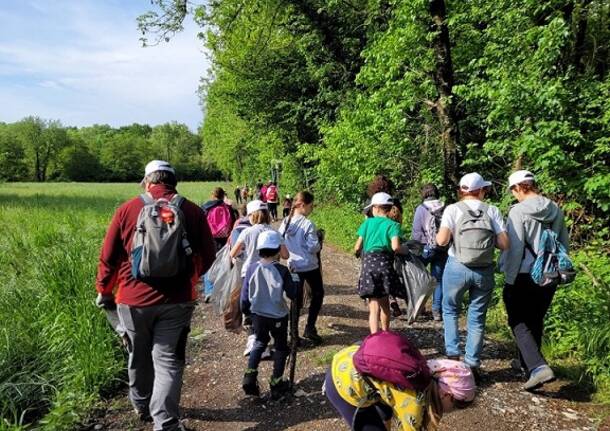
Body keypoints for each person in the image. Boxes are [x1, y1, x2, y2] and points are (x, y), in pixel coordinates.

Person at [95, 160, 216, 431]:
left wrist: (104, 290)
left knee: (137, 354)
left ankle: (141, 404)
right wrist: (190, 279)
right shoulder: (192, 211)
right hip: (177, 301)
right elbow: (209, 258)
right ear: (174, 182)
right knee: (168, 361)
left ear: (147, 182)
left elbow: (108, 258)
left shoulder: (127, 210)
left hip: (132, 300)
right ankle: (165, 423)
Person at [435, 172, 510, 380]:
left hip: (457, 266)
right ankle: (473, 364)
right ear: (482, 190)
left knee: (450, 310)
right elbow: (505, 244)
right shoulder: (492, 210)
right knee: (477, 317)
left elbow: (442, 241)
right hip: (484, 270)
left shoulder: (452, 209)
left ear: (461, 190)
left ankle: (452, 357)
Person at [499, 170, 568, 391]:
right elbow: (563, 242)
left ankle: (538, 367)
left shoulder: (518, 211)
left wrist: (509, 276)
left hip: (524, 273)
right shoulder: (555, 208)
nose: (514, 195)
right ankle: (527, 366)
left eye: (513, 191)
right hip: (549, 273)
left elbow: (515, 247)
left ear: (518, 188)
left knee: (518, 320)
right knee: (535, 319)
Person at [325, 331, 476, 431]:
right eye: (456, 406)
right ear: (447, 395)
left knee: (388, 404)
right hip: (342, 381)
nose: (452, 411)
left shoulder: (423, 369)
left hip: (347, 357)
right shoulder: (415, 402)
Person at [240, 230, 298, 399]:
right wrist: (294, 276)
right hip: (278, 315)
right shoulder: (282, 270)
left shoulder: (251, 268)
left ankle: (250, 376)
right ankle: (276, 383)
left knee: (259, 342)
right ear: (278, 250)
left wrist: (246, 311)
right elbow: (293, 294)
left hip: (258, 314)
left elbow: (245, 296)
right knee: (280, 347)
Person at [230, 200, 289, 355]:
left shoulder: (247, 232)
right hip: (271, 274)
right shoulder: (274, 232)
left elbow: (233, 253)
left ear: (251, 215)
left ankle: (253, 339)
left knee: (250, 305)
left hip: (249, 273)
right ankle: (266, 337)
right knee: (267, 305)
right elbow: (285, 255)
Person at [354, 192, 405, 333]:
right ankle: (385, 334)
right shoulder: (393, 225)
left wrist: (358, 253)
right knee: (385, 305)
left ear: (375, 208)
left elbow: (357, 247)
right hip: (385, 266)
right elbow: (396, 247)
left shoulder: (367, 223)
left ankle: (374, 338)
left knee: (373, 307)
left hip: (369, 266)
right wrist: (405, 251)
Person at [279, 191, 324, 345]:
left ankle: (293, 334)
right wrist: (319, 242)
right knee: (318, 294)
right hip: (310, 266)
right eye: (311, 206)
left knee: (295, 301)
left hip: (294, 267)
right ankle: (310, 327)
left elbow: (280, 241)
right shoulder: (308, 224)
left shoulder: (285, 222)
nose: (312, 209)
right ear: (303, 205)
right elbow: (313, 248)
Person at [363, 175, 404, 317]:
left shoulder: (371, 203)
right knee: (388, 273)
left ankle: (376, 303)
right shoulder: (394, 202)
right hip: (390, 244)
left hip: (370, 248)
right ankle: (391, 300)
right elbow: (399, 221)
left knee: (372, 276)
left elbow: (366, 223)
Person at [411, 184, 448, 322]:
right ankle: (437, 311)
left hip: (426, 248)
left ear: (424, 194)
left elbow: (416, 233)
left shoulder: (421, 209)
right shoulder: (445, 207)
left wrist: (418, 247)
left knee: (418, 276)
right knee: (438, 280)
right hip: (442, 248)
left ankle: (418, 307)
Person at [200, 187, 236, 302]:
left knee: (208, 264)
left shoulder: (205, 207)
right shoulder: (228, 208)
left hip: (210, 239)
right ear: (222, 195)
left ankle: (209, 291)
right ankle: (223, 289)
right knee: (224, 263)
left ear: (212, 195)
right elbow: (234, 223)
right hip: (225, 239)